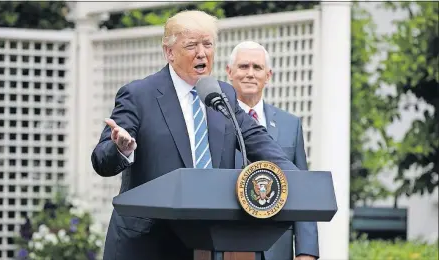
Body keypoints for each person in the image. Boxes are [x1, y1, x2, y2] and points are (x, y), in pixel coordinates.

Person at [91, 10, 301, 260]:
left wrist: (299, 181)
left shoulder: (223, 95)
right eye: (192, 45)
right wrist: (121, 149)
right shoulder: (139, 95)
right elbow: (101, 160)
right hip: (146, 244)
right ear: (169, 52)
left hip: (203, 242)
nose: (202, 53)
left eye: (208, 44)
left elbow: (258, 140)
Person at [226, 41, 319, 260]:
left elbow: (301, 185)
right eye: (243, 67)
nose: (250, 74)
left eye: (257, 68)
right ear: (229, 72)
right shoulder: (215, 121)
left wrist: (307, 252)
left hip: (277, 247)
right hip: (229, 243)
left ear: (268, 75)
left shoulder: (290, 124)